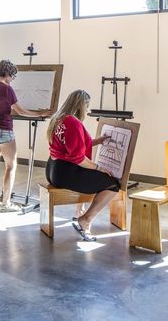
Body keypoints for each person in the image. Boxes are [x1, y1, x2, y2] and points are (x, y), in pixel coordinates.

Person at [46, 89, 118, 241]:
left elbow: (74, 144)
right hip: (66, 173)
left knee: (99, 178)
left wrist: (98, 141)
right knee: (113, 184)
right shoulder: (73, 122)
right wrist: (100, 168)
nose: (87, 109)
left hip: (53, 169)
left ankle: (82, 214)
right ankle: (86, 219)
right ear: (81, 105)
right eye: (87, 106)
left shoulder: (58, 119)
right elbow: (78, 158)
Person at [0, 59, 46, 212]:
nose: (12, 80)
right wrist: (40, 114)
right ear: (8, 74)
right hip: (4, 128)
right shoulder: (7, 89)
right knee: (11, 166)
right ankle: (6, 204)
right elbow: (21, 111)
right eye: (13, 76)